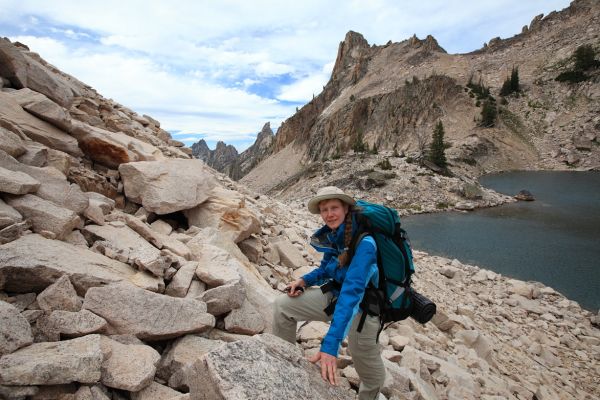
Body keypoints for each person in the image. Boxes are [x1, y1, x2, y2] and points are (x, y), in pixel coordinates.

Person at [272, 186, 385, 400]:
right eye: (324, 209)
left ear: (346, 209)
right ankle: (285, 368)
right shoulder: (334, 235)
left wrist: (330, 346)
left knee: (368, 371)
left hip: (364, 309)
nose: (329, 214)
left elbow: (352, 295)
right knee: (282, 306)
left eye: (334, 208)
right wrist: (304, 280)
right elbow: (326, 268)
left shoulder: (366, 244)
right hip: (337, 296)